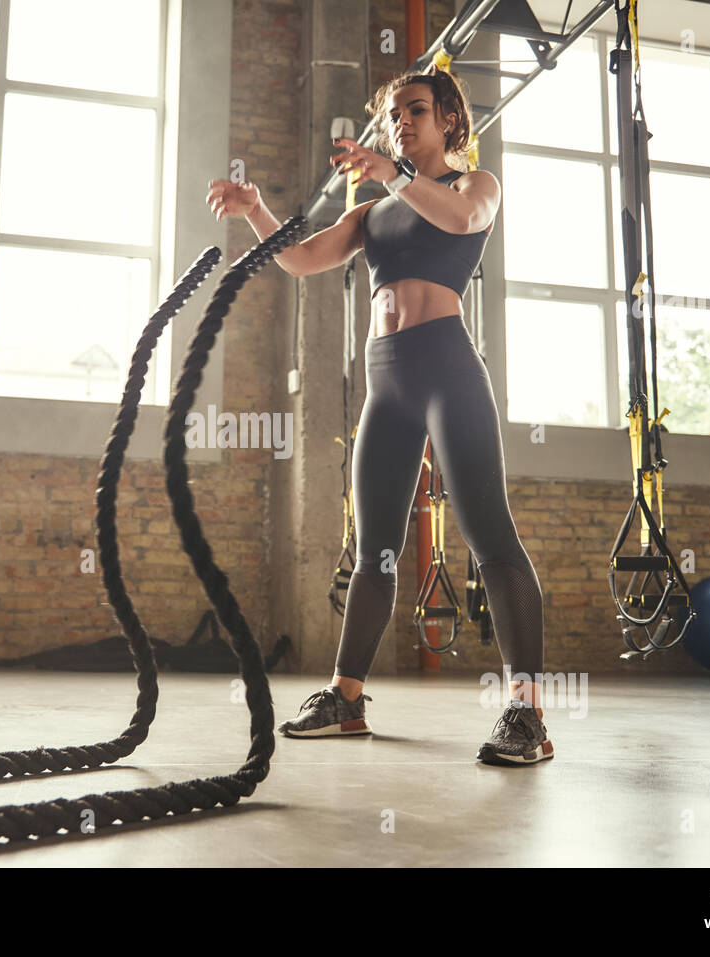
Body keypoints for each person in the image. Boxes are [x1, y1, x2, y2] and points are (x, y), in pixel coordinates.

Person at [205, 68, 552, 766]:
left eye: (416, 110)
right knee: (375, 550)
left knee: (490, 534)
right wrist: (256, 209)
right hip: (386, 380)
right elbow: (302, 259)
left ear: (450, 119)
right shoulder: (371, 212)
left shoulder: (472, 187)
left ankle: (527, 712)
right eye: (395, 114)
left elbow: (458, 222)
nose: (403, 121)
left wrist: (392, 172)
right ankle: (347, 697)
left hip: (448, 369)